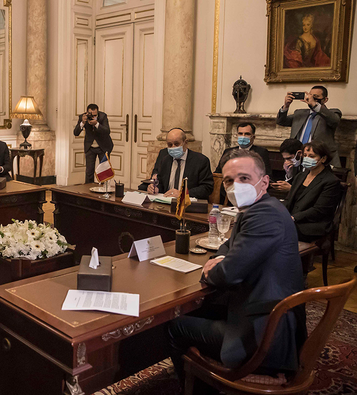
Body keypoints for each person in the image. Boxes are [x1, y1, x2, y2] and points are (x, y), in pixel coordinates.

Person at [167, 149, 305, 392]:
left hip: (264, 333)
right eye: (229, 180)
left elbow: (226, 274)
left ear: (264, 182)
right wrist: (220, 258)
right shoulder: (259, 209)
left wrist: (215, 267)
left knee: (174, 326)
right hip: (259, 309)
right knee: (203, 308)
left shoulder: (265, 216)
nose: (234, 186)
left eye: (244, 178)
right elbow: (227, 247)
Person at [284, 140, 342, 242]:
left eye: (311, 156)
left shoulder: (331, 181)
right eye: (305, 155)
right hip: (293, 220)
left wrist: (293, 218)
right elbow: (289, 200)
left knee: (277, 231)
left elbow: (319, 210)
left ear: (323, 159)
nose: (306, 159)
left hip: (312, 225)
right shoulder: (300, 176)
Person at [276, 85, 341, 167]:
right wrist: (286, 106)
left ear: (325, 99)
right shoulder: (300, 113)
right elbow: (281, 121)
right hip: (299, 158)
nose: (312, 98)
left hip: (319, 160)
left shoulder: (332, 113)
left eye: (316, 97)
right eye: (311, 96)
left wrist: (315, 105)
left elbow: (334, 120)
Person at [140, 128, 213, 199]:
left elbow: (207, 188)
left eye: (177, 144)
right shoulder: (165, 159)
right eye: (170, 145)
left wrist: (183, 193)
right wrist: (155, 188)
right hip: (166, 202)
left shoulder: (200, 161)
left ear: (185, 143)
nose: (173, 147)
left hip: (187, 204)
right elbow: (160, 182)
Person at [73, 103, 113, 183]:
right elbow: (76, 133)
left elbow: (107, 131)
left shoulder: (103, 116)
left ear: (97, 112)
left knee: (104, 171)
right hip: (90, 147)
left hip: (103, 146)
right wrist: (82, 123)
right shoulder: (83, 117)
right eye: (91, 115)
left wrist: (97, 124)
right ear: (87, 112)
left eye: (95, 115)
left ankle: (104, 190)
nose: (93, 117)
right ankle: (87, 191)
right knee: (89, 171)